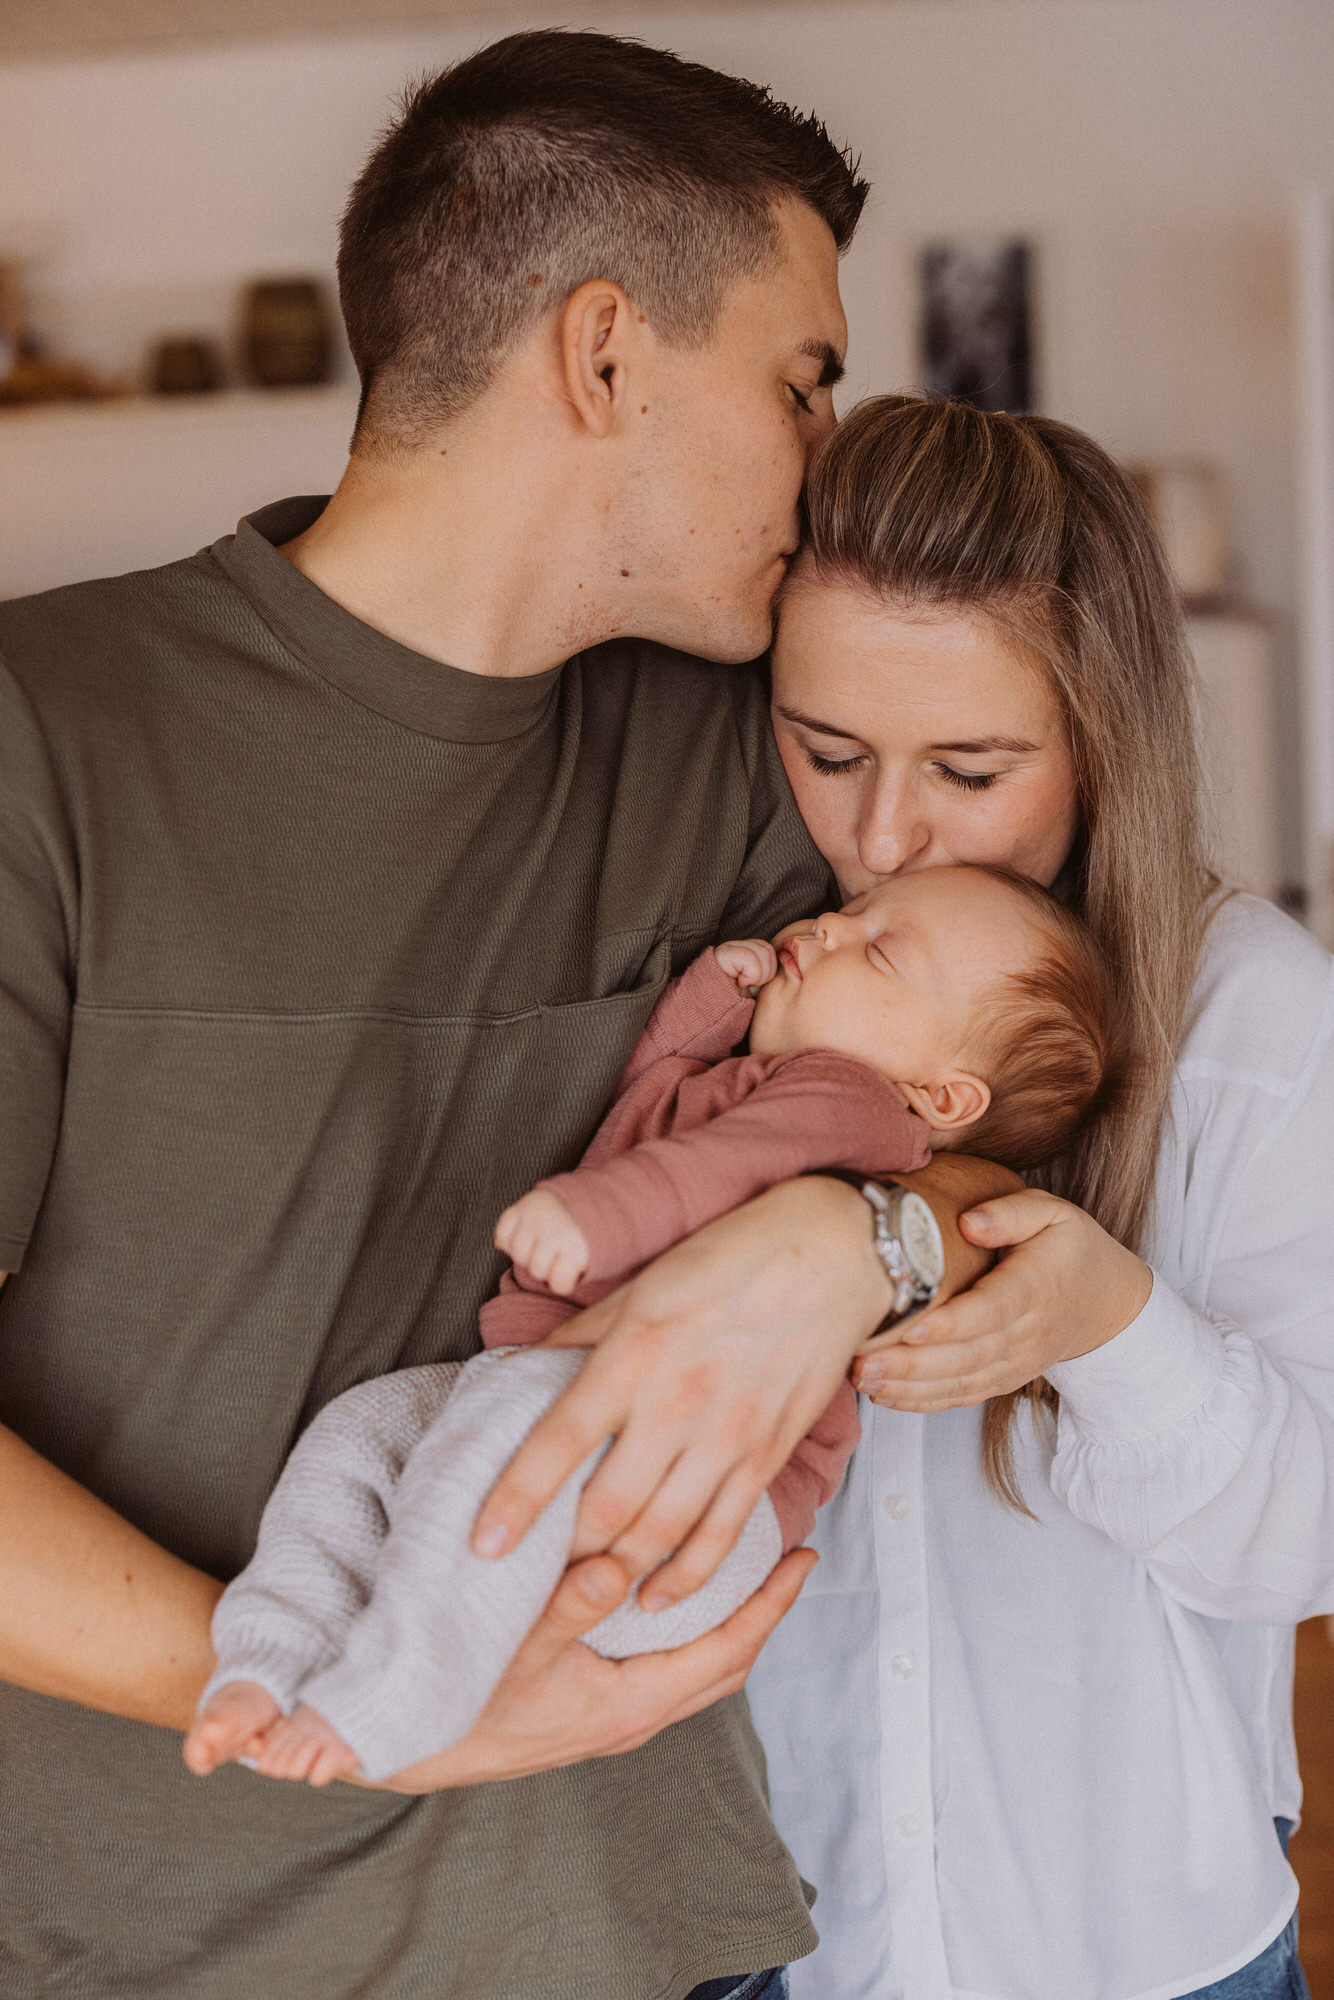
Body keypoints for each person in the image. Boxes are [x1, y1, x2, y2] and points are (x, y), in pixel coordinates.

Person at [0, 34, 1009, 2000]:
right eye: (801, 380)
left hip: (647, 1931)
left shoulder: (748, 760)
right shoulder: (46, 735)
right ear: (604, 354)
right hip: (142, 1944)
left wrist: (855, 1236)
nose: (829, 455)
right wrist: (333, 1700)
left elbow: (1028, 1139)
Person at [745, 392, 1333, 2000]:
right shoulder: (753, 984)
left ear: (1099, 738)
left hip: (1143, 1949)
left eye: (969, 768)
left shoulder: (1254, 1024)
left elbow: (1307, 1540)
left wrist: (1111, 1324)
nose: (880, 836)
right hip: (782, 1941)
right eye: (826, 750)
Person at [185, 865, 1120, 1788]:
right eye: (851, 910)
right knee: (363, 1431)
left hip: (690, 1499)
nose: (830, 926)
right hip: (587, 1431)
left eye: (879, 951)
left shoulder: (853, 1103)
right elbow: (647, 1091)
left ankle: (398, 1696)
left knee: (488, 1450)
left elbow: (724, 1164)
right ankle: (272, 1656)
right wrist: (717, 995)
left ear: (944, 1096)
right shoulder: (759, 1080)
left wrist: (596, 1217)